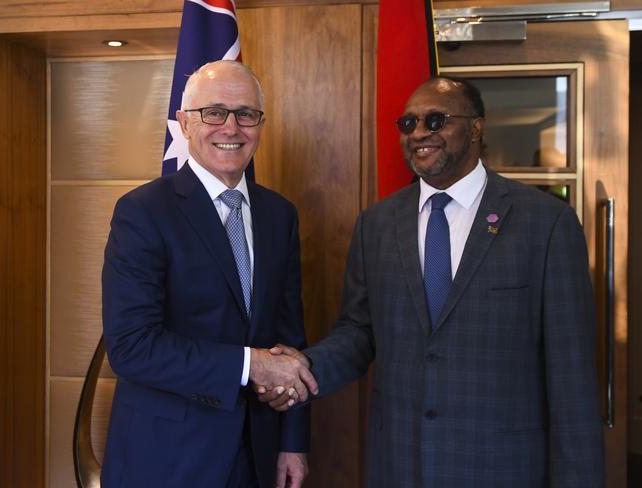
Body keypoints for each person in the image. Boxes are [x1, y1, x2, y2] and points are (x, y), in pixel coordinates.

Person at [260, 76, 604, 487]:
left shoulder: (545, 223)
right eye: (409, 124)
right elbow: (359, 333)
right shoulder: (377, 224)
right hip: (401, 466)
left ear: (476, 128)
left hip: (504, 469)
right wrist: (304, 369)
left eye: (436, 120)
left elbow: (573, 381)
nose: (420, 132)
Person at [101, 60, 317, 488]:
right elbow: (130, 347)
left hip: (257, 452)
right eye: (214, 112)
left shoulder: (279, 215)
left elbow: (290, 339)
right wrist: (249, 364)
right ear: (184, 123)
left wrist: (293, 442)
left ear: (260, 123)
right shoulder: (142, 212)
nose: (231, 128)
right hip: (167, 458)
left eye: (246, 114)